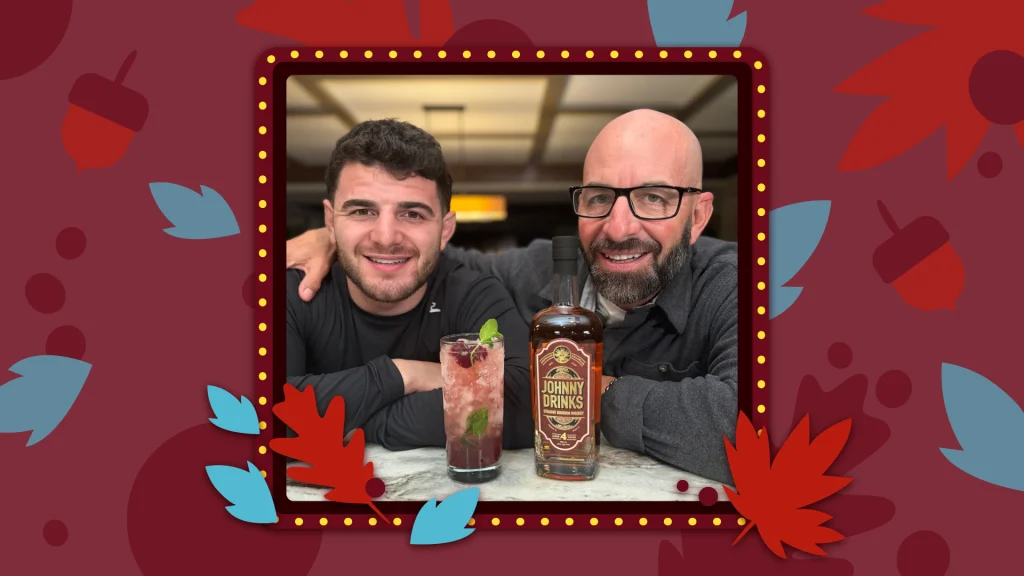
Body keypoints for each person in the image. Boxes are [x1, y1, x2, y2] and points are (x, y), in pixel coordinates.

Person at [287, 110, 738, 484]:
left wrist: (582, 390)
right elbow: (416, 254)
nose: (619, 228)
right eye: (599, 198)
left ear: (698, 217)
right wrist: (335, 238)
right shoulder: (531, 271)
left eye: (655, 198)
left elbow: (752, 428)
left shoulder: (738, 285)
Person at [284, 118, 533, 452]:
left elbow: (526, 404)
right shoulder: (292, 291)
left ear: (445, 230)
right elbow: (252, 414)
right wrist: (401, 375)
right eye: (361, 211)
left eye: (413, 214)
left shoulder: (472, 292)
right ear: (331, 222)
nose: (386, 238)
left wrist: (342, 422)